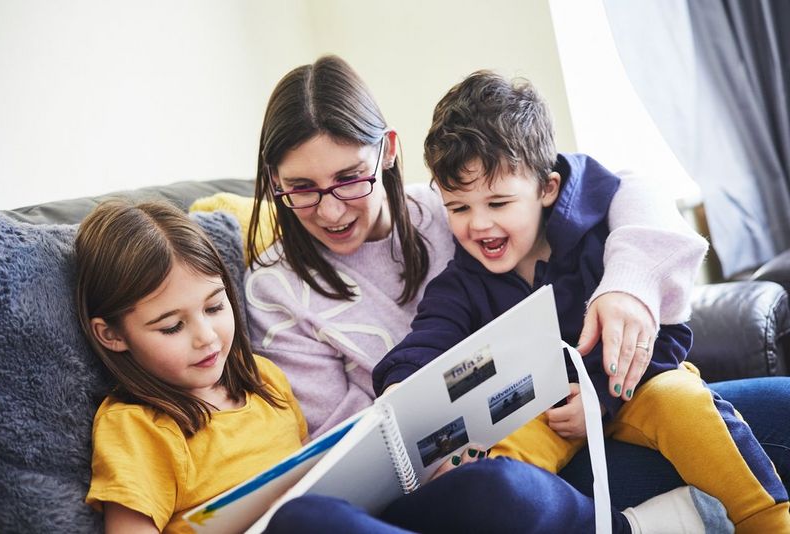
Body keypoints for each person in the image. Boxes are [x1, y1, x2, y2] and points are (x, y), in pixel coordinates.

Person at [73, 200, 728, 534]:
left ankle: (619, 529)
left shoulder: (263, 383)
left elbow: (321, 474)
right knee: (305, 522)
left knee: (491, 484)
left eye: (215, 307)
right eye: (170, 325)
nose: (205, 338)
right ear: (113, 334)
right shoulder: (138, 426)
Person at [372, 70, 790, 531]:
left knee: (686, 403)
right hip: (539, 414)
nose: (479, 225)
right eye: (458, 208)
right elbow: (426, 341)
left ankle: (765, 520)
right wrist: (400, 389)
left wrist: (601, 399)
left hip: (632, 392)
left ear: (546, 188)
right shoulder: (460, 283)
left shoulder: (605, 235)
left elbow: (668, 333)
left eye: (498, 203)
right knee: (494, 471)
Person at [244, 55, 706, 440]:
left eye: (349, 179)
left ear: (386, 152)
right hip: (465, 453)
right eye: (301, 187)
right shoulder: (275, 288)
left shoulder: (451, 207)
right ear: (272, 181)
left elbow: (620, 187)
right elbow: (348, 431)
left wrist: (631, 281)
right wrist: (407, 408)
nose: (330, 212)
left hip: (583, 411)